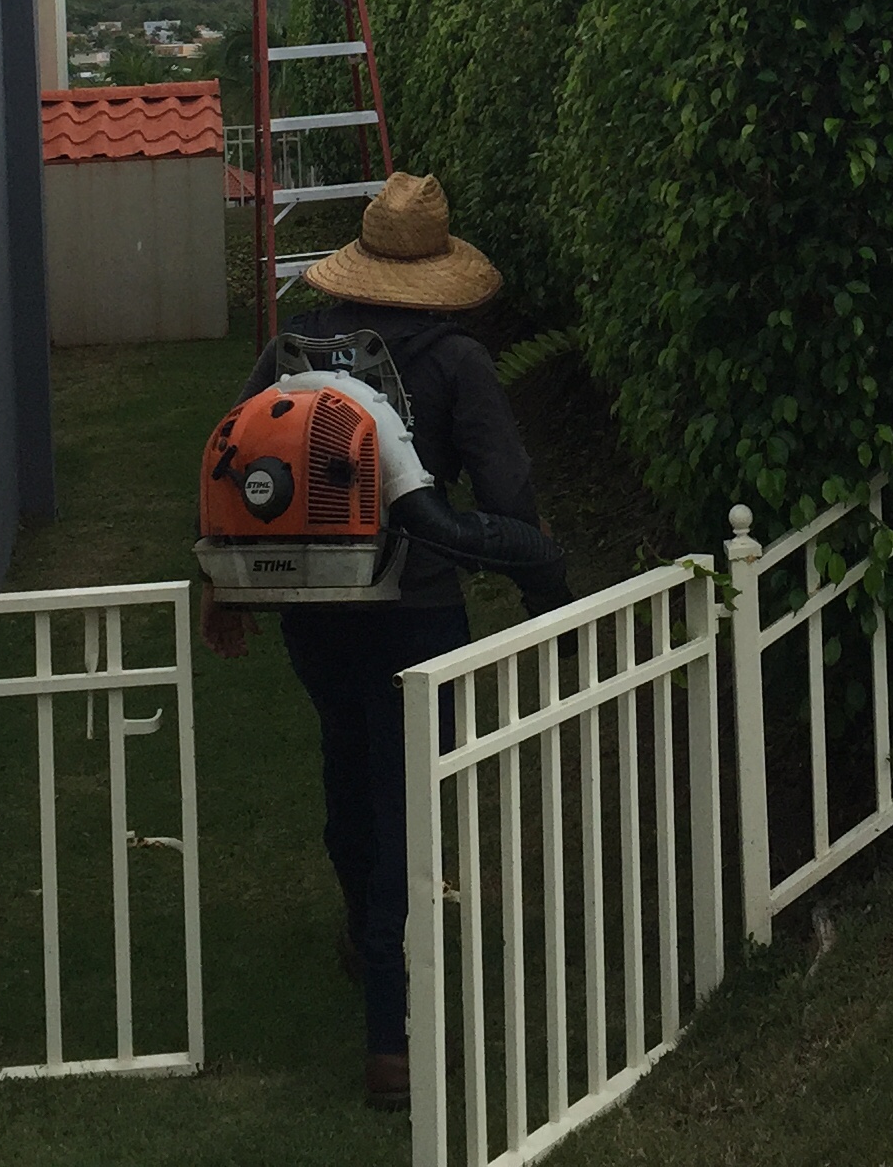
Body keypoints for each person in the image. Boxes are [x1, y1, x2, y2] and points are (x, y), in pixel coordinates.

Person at [200, 170, 568, 1110]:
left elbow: (235, 463)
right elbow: (507, 497)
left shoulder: (293, 351)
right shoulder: (456, 362)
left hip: (317, 608)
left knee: (348, 763)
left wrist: (222, 589)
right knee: (407, 806)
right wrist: (541, 584)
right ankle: (392, 1041)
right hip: (418, 609)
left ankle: (363, 931)